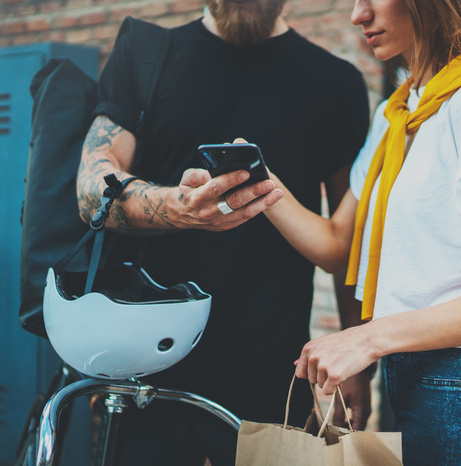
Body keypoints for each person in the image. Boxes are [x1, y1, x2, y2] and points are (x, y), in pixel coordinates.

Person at [261, 0, 461, 464]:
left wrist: (366, 340)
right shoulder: (397, 113)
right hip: (410, 372)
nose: (357, 15)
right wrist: (263, 188)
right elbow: (338, 246)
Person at [76, 0, 370, 464]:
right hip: (146, 367)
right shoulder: (146, 52)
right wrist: (178, 207)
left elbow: (349, 242)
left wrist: (358, 363)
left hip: (274, 372)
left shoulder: (337, 82)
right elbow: (92, 189)